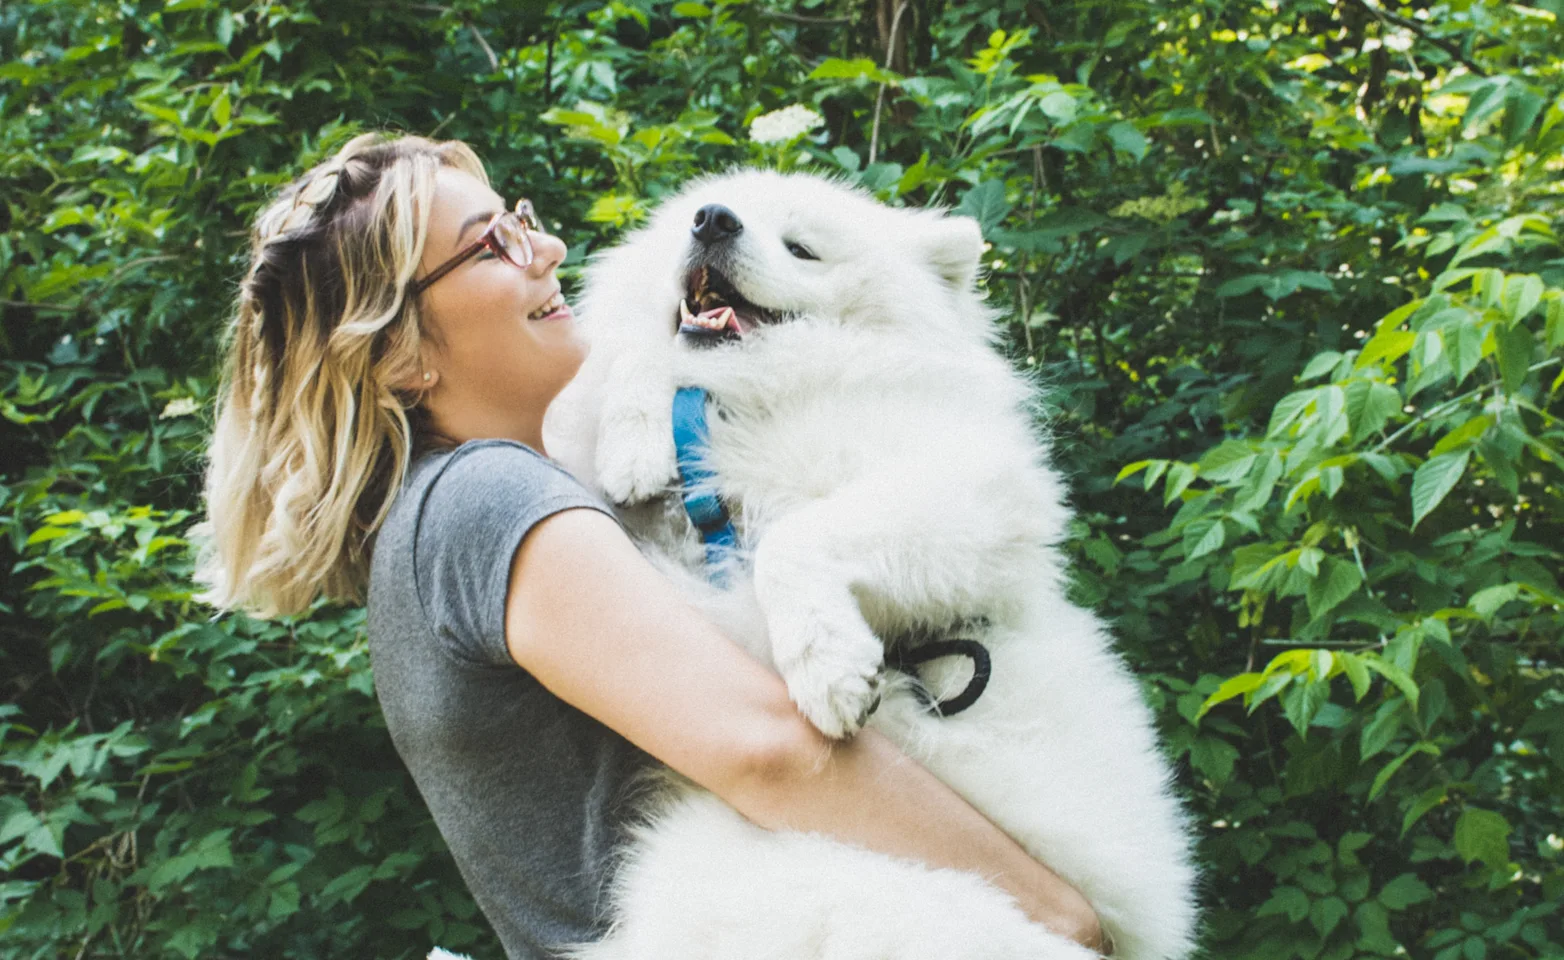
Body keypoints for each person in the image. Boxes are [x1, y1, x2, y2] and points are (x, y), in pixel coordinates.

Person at [196, 131, 1107, 960]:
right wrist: (1056, 915)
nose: (547, 249)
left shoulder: (471, 507)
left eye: (524, 221)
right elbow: (768, 749)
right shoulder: (486, 499)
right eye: (493, 245)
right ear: (401, 357)